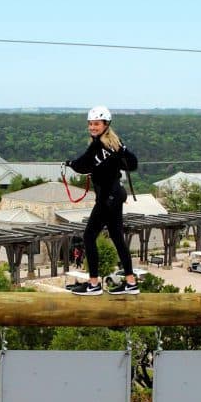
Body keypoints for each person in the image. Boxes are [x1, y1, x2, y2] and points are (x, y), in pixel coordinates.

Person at [64, 105, 139, 295]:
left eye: (96, 124)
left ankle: (94, 284)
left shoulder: (99, 145)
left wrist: (69, 163)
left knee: (89, 236)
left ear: (106, 124)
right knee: (117, 238)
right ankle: (131, 282)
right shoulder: (116, 143)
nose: (92, 127)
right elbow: (133, 164)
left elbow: (82, 165)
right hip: (116, 194)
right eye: (90, 124)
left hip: (107, 198)